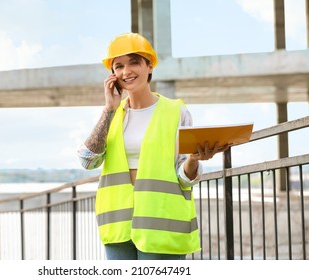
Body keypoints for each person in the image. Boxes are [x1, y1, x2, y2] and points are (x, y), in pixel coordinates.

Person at [77, 32, 224, 260]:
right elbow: (87, 161)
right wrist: (109, 109)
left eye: (134, 62)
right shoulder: (113, 115)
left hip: (162, 223)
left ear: (149, 66)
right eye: (118, 66)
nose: (126, 72)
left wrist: (194, 160)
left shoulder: (176, 112)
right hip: (119, 226)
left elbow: (183, 177)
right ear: (112, 75)